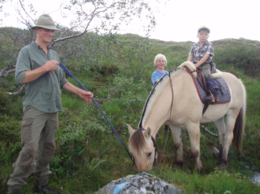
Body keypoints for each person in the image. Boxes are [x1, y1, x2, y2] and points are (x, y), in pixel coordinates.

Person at [7, 14, 93, 194]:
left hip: (53, 109)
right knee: (30, 149)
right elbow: (20, 78)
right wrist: (45, 67)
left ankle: (41, 185)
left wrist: (81, 92)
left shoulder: (54, 54)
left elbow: (62, 81)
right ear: (37, 30)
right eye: (46, 29)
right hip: (35, 108)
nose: (50, 33)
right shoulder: (27, 51)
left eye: (52, 30)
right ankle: (14, 188)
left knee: (48, 147)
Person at [187, 26, 218, 102]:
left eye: (206, 34)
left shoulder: (209, 45)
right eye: (201, 34)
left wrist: (197, 65)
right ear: (197, 35)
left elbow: (206, 56)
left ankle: (214, 95)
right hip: (194, 63)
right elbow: (191, 55)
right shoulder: (194, 45)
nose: (203, 35)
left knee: (207, 75)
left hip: (205, 64)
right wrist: (188, 64)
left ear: (208, 36)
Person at [151, 54, 170, 135]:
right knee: (158, 115)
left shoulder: (167, 73)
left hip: (167, 97)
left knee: (168, 115)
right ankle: (155, 131)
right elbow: (158, 83)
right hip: (158, 98)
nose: (161, 63)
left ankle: (166, 132)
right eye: (159, 61)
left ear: (165, 63)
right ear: (156, 63)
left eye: (163, 61)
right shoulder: (155, 74)